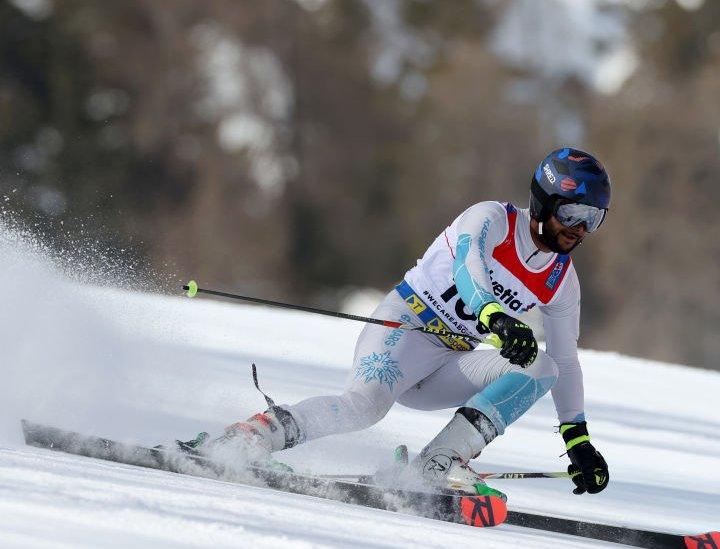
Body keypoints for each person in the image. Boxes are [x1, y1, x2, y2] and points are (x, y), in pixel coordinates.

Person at [184, 147, 611, 497]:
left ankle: (437, 464)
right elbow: (469, 270)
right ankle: (250, 436)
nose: (580, 229)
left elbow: (567, 361)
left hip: (450, 361)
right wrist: (494, 317)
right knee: (364, 406)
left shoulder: (561, 280)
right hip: (405, 328)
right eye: (573, 213)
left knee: (544, 367)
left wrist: (578, 440)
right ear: (545, 200)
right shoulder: (492, 219)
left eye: (593, 218)